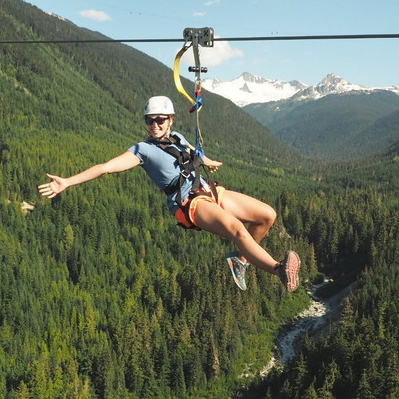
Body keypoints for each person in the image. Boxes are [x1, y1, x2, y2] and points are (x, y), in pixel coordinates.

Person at [39, 96, 301, 292]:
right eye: (149, 120)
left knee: (267, 215)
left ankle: (240, 261)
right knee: (237, 231)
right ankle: (277, 269)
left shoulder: (176, 136)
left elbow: (191, 152)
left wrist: (207, 161)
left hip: (208, 190)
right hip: (189, 203)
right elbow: (105, 168)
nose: (154, 125)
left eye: (159, 120)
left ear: (171, 120)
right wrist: (68, 182)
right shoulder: (141, 150)